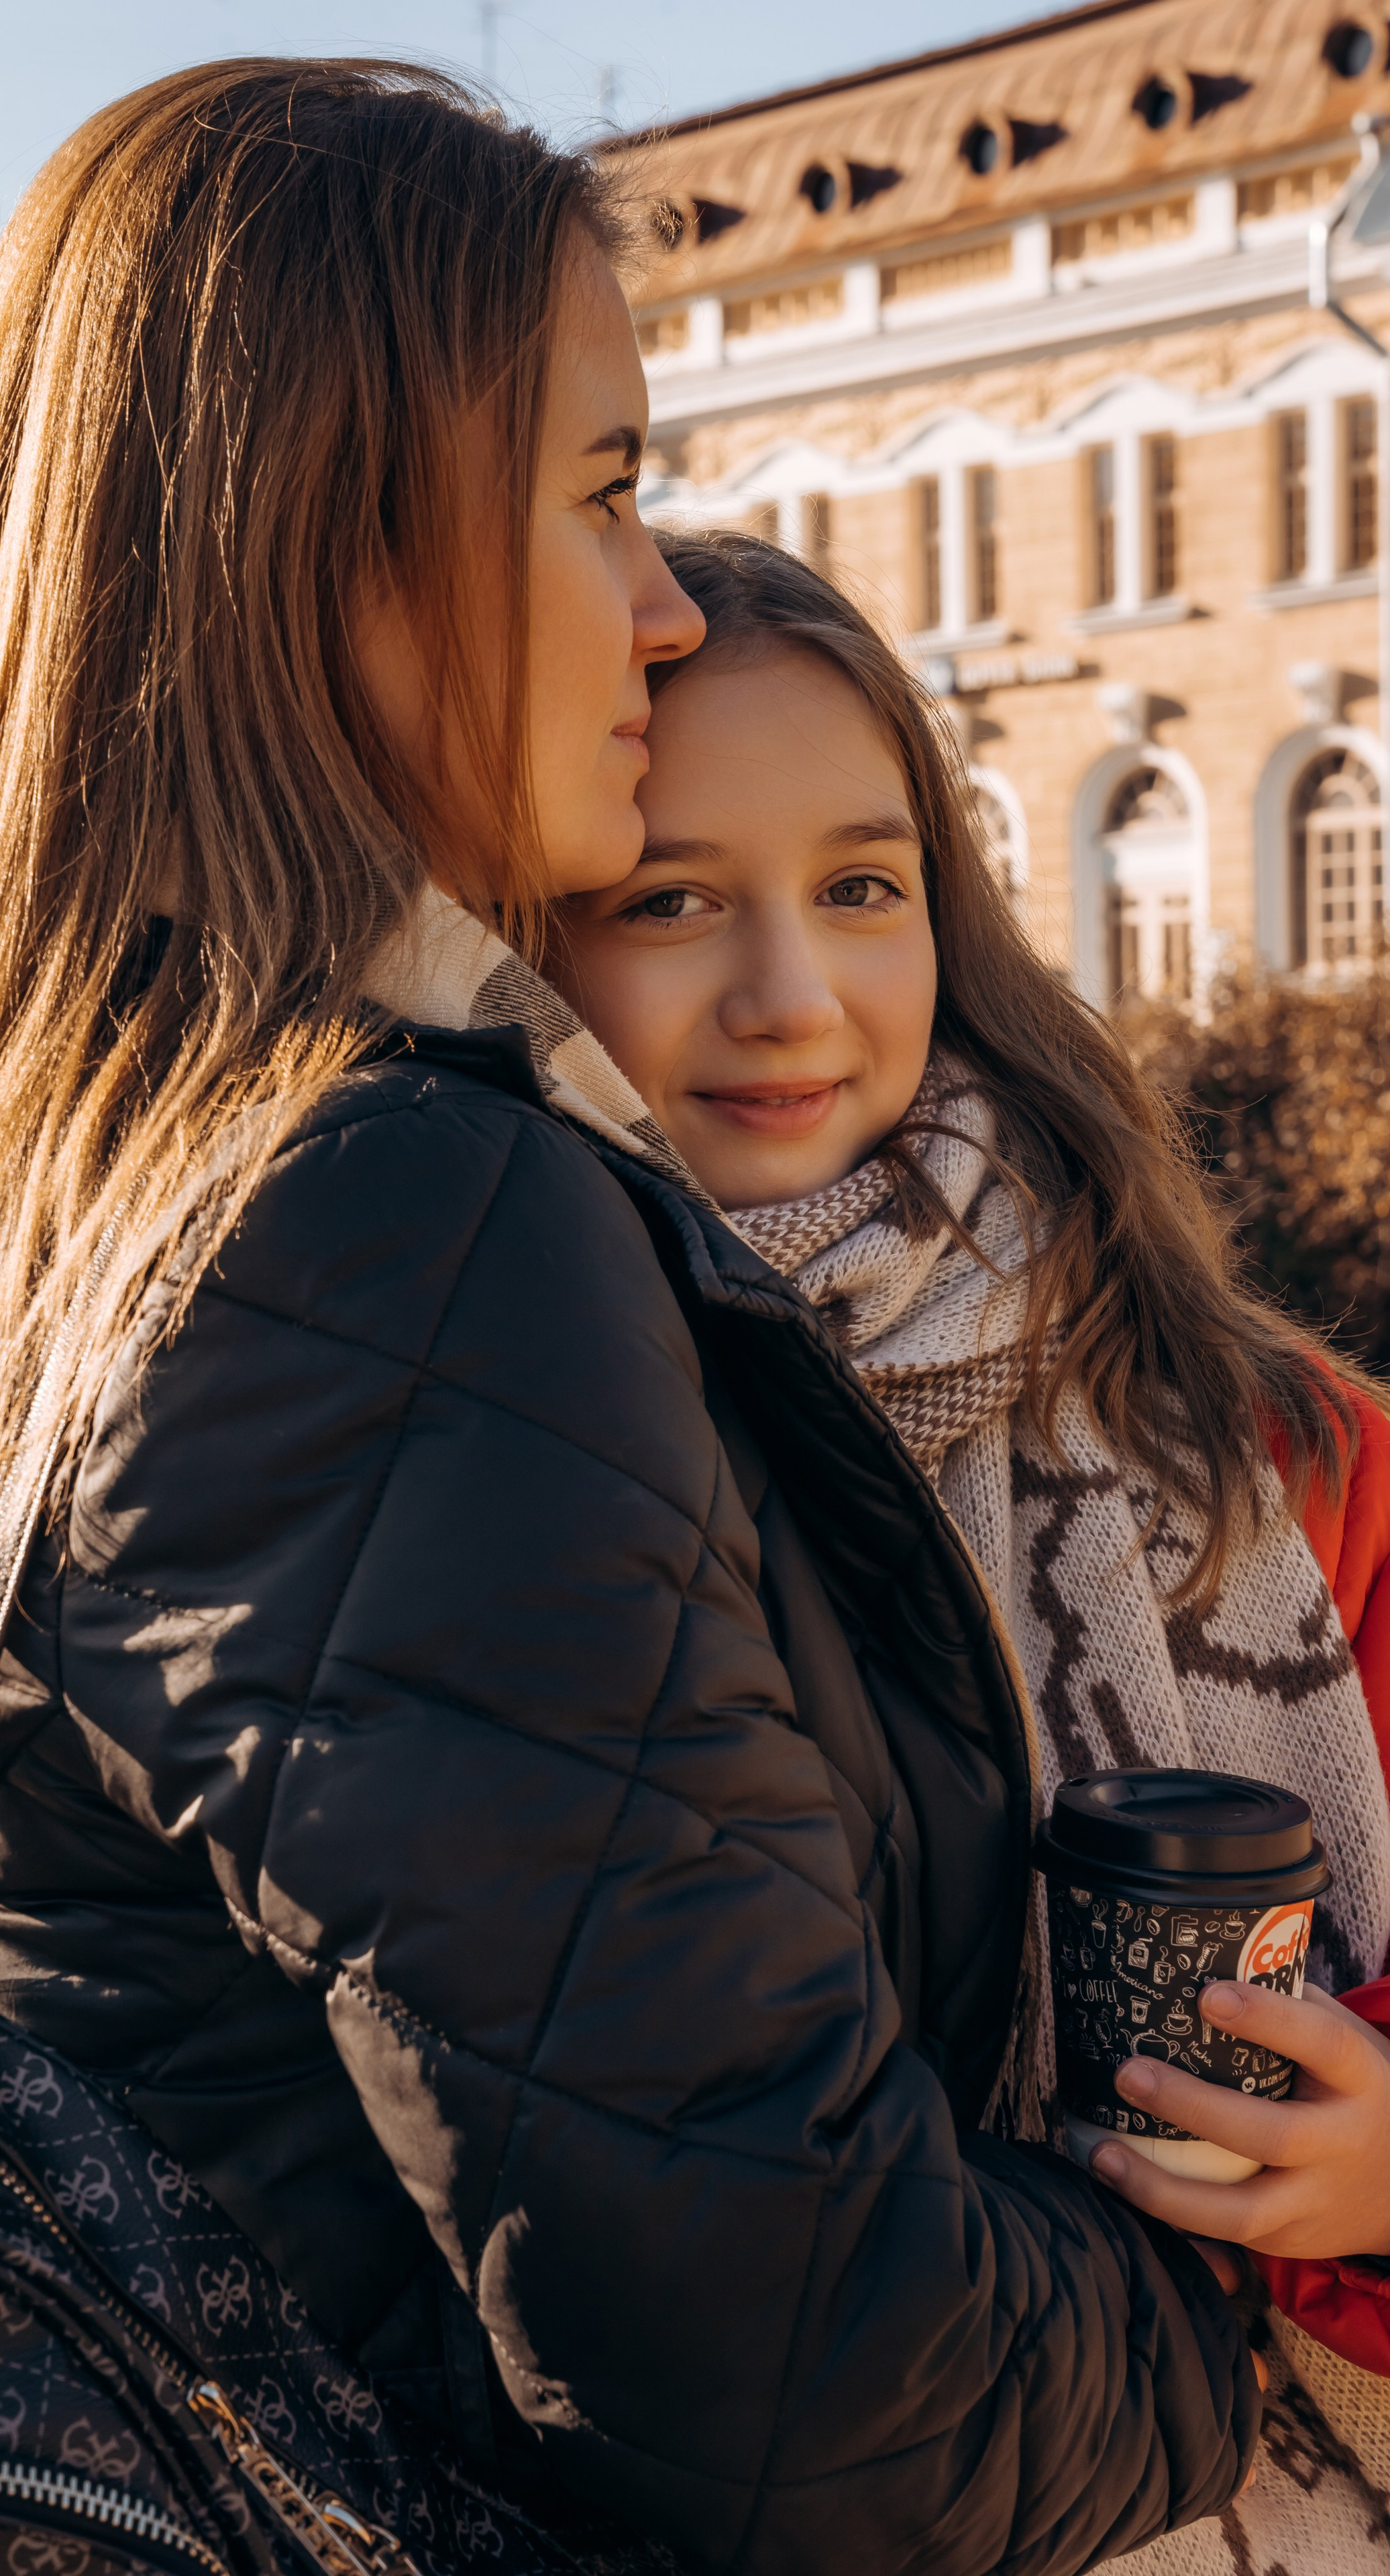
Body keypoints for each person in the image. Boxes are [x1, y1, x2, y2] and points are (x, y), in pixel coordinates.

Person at [0, 63, 1257, 2575]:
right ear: (338, 545)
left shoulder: (16, 1171)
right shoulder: (373, 1230)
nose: (662, 604)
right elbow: (826, 2402)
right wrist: (1214, 2306)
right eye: (604, 490)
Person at [550, 527, 1390, 2572]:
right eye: (671, 901)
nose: (790, 993)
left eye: (861, 887)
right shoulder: (501, 1460)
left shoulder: (1265, 1438)